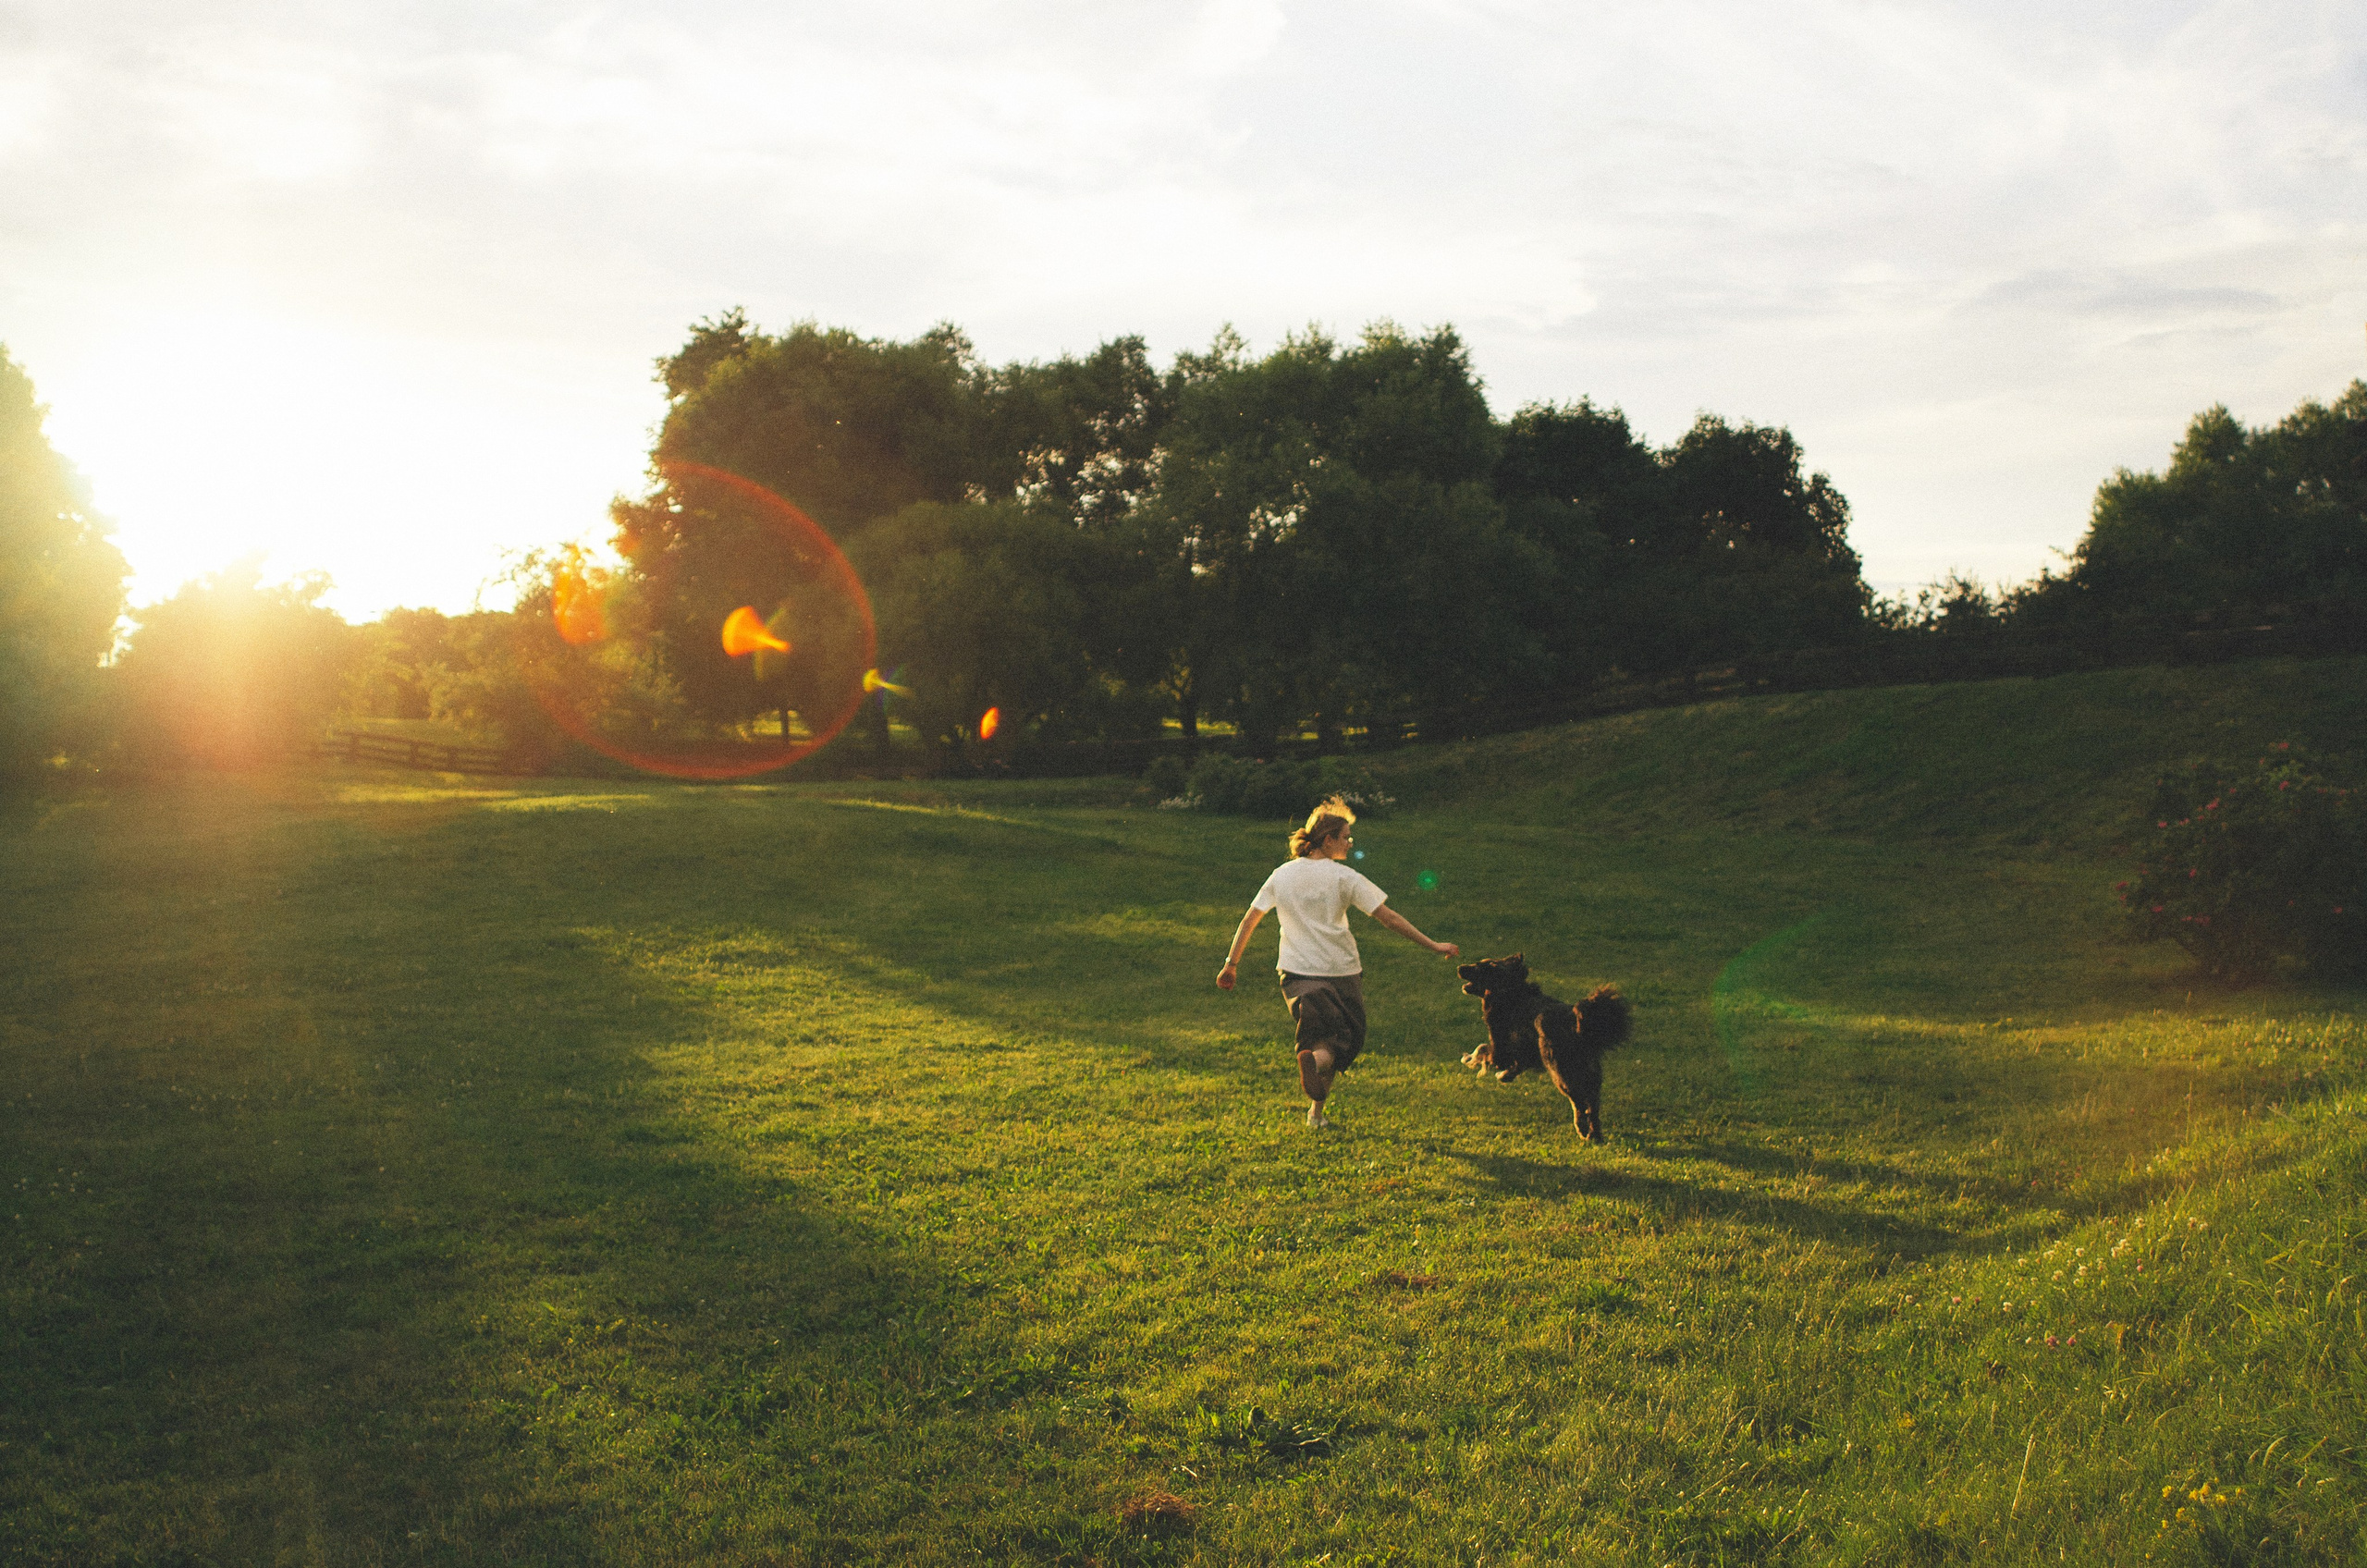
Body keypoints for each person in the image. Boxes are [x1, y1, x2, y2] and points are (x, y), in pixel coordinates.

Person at [1216, 796, 1459, 1129]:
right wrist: (1433, 944)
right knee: (1344, 1041)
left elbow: (1250, 920)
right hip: (1341, 973)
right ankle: (1313, 1075)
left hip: (1295, 973)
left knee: (1322, 1037)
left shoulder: (1281, 875)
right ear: (1328, 840)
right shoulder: (1345, 878)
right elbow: (1390, 919)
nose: (1349, 842)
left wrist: (1231, 963)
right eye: (1346, 836)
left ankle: (1315, 1107)